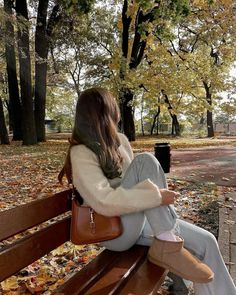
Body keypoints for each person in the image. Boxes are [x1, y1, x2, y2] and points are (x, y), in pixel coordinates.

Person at [59, 87, 236, 295]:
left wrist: (154, 199)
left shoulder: (120, 141)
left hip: (139, 221)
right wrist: (156, 197)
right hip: (115, 232)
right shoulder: (80, 152)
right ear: (106, 113)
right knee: (146, 160)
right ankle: (168, 242)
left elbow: (138, 182)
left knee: (207, 241)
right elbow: (103, 201)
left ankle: (169, 242)